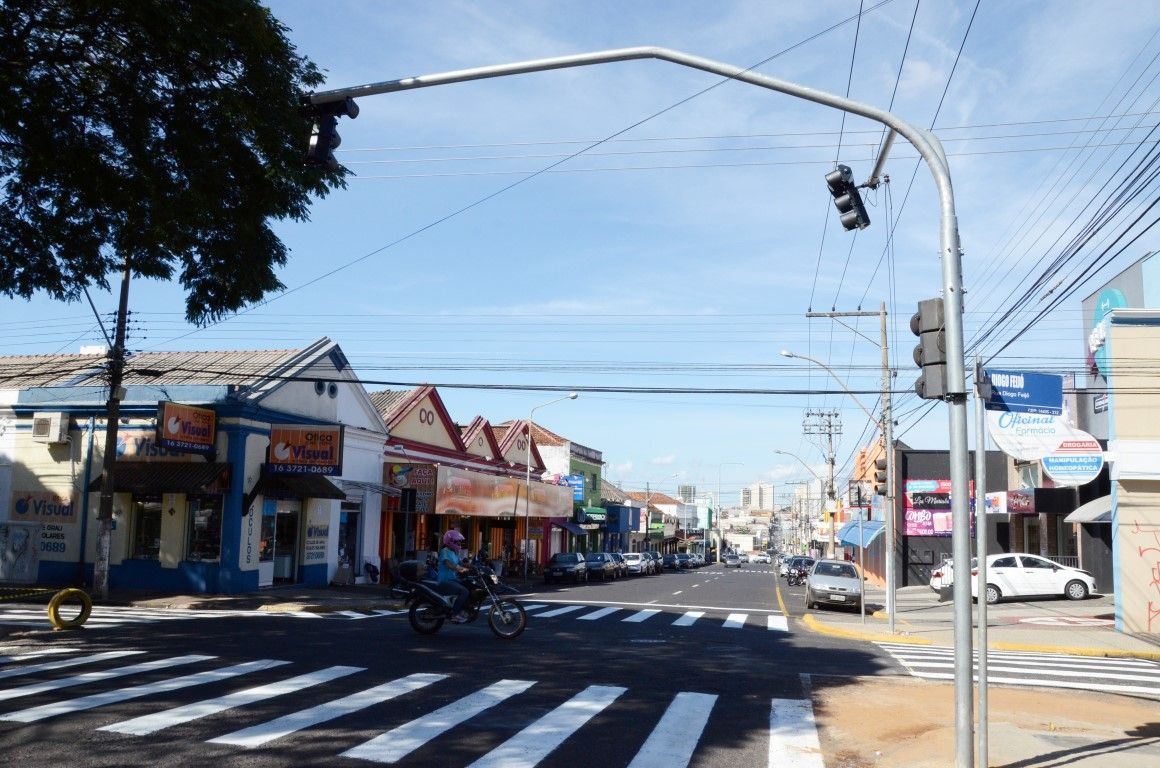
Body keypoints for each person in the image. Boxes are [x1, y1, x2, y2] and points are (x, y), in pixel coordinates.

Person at [436, 529, 471, 623]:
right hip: (445, 580)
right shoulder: (445, 552)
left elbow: (461, 563)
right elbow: (449, 565)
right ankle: (454, 614)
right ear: (451, 541)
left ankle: (463, 609)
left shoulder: (454, 552)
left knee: (469, 584)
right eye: (457, 542)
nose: (459, 543)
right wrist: (460, 569)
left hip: (453, 579)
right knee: (464, 591)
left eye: (460, 542)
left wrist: (475, 567)